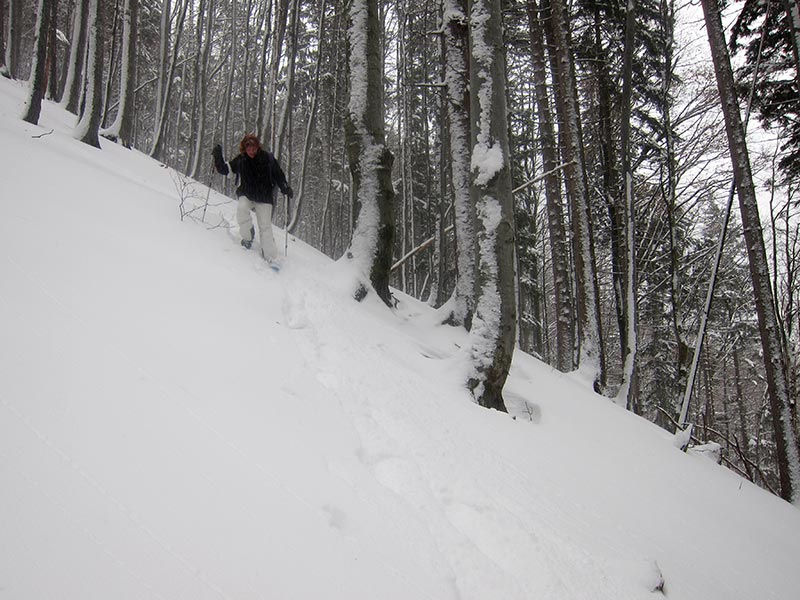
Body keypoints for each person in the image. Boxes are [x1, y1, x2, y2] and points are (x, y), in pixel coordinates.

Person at [212, 134, 293, 265]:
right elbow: (226, 170)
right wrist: (217, 157)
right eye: (248, 148)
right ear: (244, 148)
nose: (251, 150)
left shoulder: (268, 158)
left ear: (257, 147)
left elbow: (279, 175)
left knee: (265, 226)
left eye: (253, 148)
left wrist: (285, 188)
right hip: (247, 194)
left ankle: (270, 256)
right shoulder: (241, 159)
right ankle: (248, 237)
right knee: (241, 210)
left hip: (264, 197)